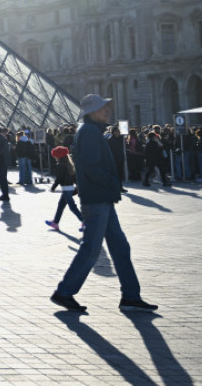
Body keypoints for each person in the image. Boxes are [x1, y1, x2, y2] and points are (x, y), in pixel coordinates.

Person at [51, 95, 157, 313]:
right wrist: (112, 182)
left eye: (107, 106)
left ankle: (131, 296)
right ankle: (64, 292)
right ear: (91, 112)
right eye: (102, 107)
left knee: (120, 247)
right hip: (97, 199)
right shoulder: (89, 132)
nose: (107, 110)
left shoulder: (91, 131)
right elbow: (91, 167)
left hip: (102, 199)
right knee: (91, 249)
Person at [45, 146, 83, 232]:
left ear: (58, 157)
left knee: (72, 207)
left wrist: (53, 187)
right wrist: (77, 187)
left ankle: (84, 221)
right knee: (61, 205)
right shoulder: (69, 164)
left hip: (66, 189)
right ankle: (55, 222)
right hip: (69, 188)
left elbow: (59, 179)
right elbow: (74, 177)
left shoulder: (60, 166)